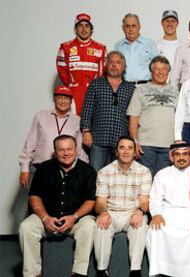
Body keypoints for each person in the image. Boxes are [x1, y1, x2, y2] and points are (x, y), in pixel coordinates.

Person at [19, 135, 96, 277]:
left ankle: (79, 272)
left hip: (75, 220)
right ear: (55, 151)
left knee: (89, 226)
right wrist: (45, 218)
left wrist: (74, 217)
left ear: (76, 150)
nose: (66, 153)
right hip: (47, 219)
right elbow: (34, 197)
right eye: (61, 150)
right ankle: (33, 274)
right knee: (26, 227)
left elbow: (90, 201)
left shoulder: (88, 171)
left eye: (69, 149)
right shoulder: (43, 168)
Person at [146, 142, 190, 277]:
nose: (181, 158)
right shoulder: (162, 174)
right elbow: (155, 199)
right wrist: (156, 214)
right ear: (172, 157)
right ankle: (160, 271)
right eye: (178, 154)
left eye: (185, 154)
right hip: (167, 214)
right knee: (154, 229)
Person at [94, 136, 152, 277]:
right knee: (101, 224)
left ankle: (135, 270)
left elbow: (144, 201)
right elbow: (100, 202)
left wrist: (140, 211)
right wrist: (103, 212)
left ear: (134, 152)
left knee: (141, 225)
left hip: (133, 212)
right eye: (122, 147)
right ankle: (101, 271)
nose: (126, 151)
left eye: (130, 148)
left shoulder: (144, 171)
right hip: (112, 212)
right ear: (116, 151)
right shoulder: (104, 172)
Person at [19, 86, 88, 189]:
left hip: (65, 172)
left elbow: (78, 148)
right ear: (54, 98)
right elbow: (30, 143)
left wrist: (85, 168)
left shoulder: (77, 121)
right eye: (60, 97)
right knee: (36, 203)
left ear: (71, 101)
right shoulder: (40, 116)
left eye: (66, 98)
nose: (63, 101)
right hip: (40, 169)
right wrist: (24, 169)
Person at [80, 51, 135, 171]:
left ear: (124, 66)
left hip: (121, 141)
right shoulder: (96, 84)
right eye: (111, 62)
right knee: (95, 173)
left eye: (118, 62)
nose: (114, 65)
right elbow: (87, 110)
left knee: (118, 175)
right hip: (98, 139)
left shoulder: (131, 88)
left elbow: (134, 117)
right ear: (106, 65)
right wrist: (86, 131)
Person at [127, 56, 179, 177]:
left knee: (163, 181)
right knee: (145, 180)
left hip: (168, 144)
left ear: (168, 72)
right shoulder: (140, 90)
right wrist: (135, 142)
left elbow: (179, 118)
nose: (160, 72)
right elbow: (133, 119)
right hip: (145, 145)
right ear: (151, 71)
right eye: (157, 69)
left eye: (163, 69)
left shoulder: (176, 91)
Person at [56, 13, 106, 115]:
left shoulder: (100, 48)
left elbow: (103, 72)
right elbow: (62, 70)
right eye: (80, 25)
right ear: (76, 28)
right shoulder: (65, 47)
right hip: (73, 92)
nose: (84, 29)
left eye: (87, 26)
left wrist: (96, 88)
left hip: (94, 92)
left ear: (91, 29)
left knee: (92, 124)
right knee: (73, 125)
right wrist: (72, 84)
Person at [114, 13, 159, 83]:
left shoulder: (150, 44)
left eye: (133, 26)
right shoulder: (118, 46)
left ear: (139, 27)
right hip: (124, 87)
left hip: (145, 86)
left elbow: (158, 67)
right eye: (127, 26)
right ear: (123, 28)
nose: (130, 29)